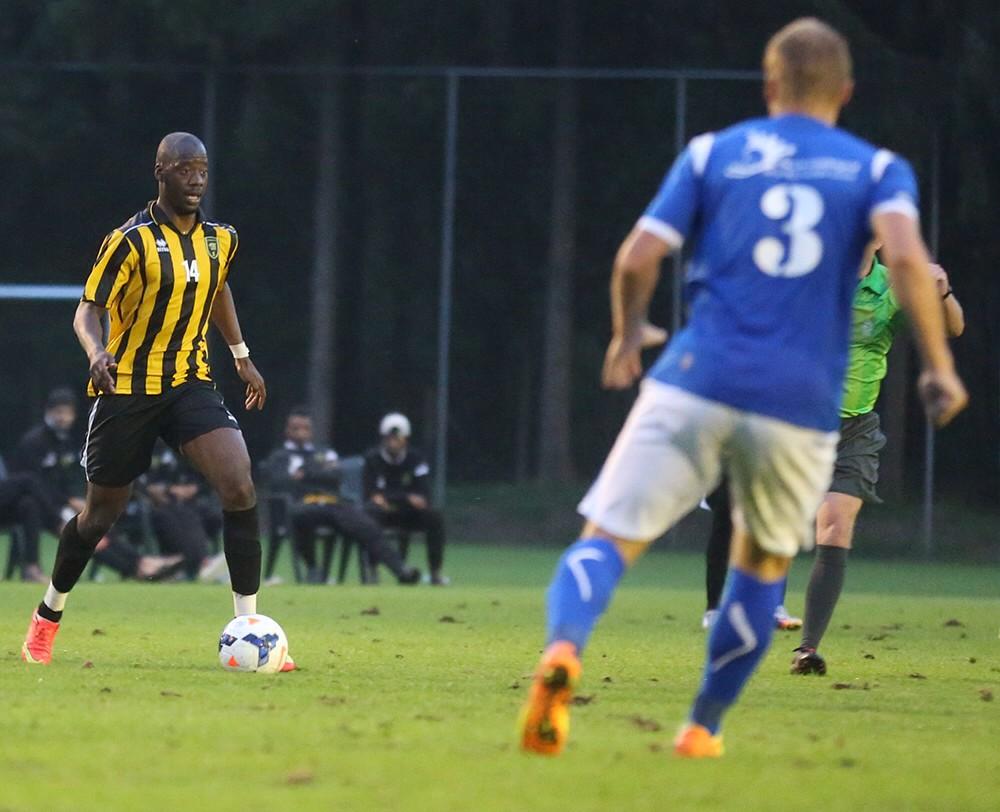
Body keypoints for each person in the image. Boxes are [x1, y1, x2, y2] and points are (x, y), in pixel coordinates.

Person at [517, 17, 966, 759]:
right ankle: (701, 727)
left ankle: (563, 651)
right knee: (760, 570)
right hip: (798, 404)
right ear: (845, 93)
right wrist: (939, 368)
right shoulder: (877, 169)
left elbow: (637, 257)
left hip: (697, 378)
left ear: (768, 85)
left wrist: (628, 334)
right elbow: (911, 262)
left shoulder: (712, 154)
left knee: (606, 542)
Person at [20, 131, 294, 671]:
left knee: (239, 485)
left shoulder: (220, 240)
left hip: (190, 382)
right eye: (185, 169)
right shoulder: (129, 240)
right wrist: (96, 352)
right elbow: (87, 309)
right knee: (99, 517)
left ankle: (251, 629)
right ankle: (46, 619)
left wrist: (241, 355)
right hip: (127, 388)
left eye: (203, 170)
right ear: (160, 171)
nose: (196, 179)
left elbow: (217, 288)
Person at [791, 252, 964, 674]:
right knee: (769, 529)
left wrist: (943, 293)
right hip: (797, 422)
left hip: (856, 431)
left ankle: (807, 650)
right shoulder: (813, 269)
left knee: (835, 525)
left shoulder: (894, 284)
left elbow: (953, 327)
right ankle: (743, 620)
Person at [13, 387, 185, 582]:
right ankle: (138, 567)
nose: (63, 418)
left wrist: (79, 499)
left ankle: (140, 562)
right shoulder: (33, 443)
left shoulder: (66, 441)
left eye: (67, 413)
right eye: (58, 412)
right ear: (48, 411)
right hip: (47, 508)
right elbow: (33, 483)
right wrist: (68, 501)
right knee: (88, 533)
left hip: (64, 505)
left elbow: (70, 479)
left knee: (99, 526)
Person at [262, 407, 420, 585]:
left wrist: (305, 474)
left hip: (332, 504)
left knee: (365, 523)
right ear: (287, 430)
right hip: (302, 505)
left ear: (311, 430)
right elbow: (277, 481)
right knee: (300, 516)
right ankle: (313, 568)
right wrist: (318, 472)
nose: (301, 432)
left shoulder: (324, 452)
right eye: (296, 428)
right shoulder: (279, 456)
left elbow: (336, 475)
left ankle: (401, 570)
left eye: (305, 428)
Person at [700, 481, 802, 631]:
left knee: (775, 528)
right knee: (724, 524)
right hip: (727, 470)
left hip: (770, 470)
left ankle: (774, 607)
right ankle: (713, 609)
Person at [363, 413, 448, 585]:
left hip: (409, 513)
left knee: (434, 516)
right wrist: (406, 497)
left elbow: (423, 491)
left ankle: (435, 572)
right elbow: (372, 493)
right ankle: (372, 571)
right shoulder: (372, 459)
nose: (393, 443)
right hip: (384, 513)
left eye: (397, 438)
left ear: (405, 439)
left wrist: (395, 497)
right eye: (390, 438)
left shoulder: (416, 459)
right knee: (371, 514)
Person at [141, 442, 229, 583]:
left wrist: (191, 490)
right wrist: (169, 490)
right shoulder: (152, 452)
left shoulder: (189, 453)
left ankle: (195, 563)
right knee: (178, 515)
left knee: (203, 514)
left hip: (189, 504)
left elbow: (201, 482)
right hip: (157, 507)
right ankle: (201, 562)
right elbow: (146, 485)